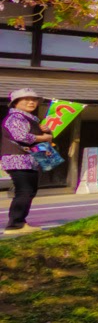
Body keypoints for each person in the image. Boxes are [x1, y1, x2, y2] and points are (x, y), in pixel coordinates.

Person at [2, 88, 60, 235]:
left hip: (29, 159)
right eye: (26, 99)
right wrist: (43, 138)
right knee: (25, 191)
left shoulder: (30, 119)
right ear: (15, 103)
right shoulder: (16, 117)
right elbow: (21, 136)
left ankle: (20, 221)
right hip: (18, 159)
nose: (31, 102)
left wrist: (45, 130)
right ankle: (15, 224)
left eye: (34, 99)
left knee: (29, 191)